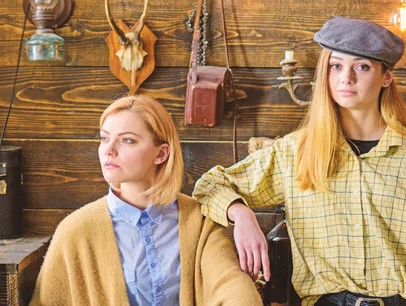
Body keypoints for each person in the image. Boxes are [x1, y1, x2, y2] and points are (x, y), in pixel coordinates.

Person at [193, 16, 406, 306]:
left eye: (362, 66)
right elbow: (210, 185)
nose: (346, 78)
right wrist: (242, 215)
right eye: (336, 66)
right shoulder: (295, 152)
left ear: (387, 77)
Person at [31, 95, 262, 306]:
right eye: (104, 138)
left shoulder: (199, 222)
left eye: (127, 140)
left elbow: (232, 285)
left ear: (161, 154)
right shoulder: (75, 230)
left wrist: (241, 212)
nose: (109, 150)